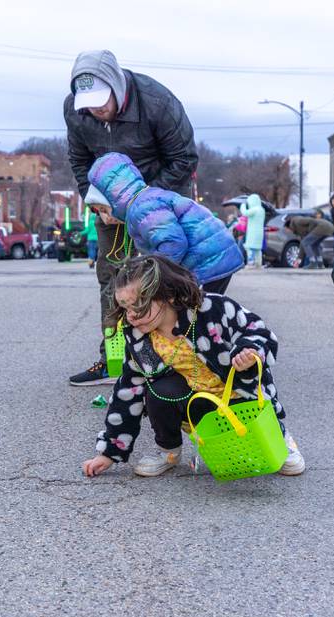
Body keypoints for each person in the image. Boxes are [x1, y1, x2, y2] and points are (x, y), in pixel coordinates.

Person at [81, 254, 304, 478]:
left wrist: (249, 351)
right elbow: (127, 391)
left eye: (138, 306)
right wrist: (108, 453)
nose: (131, 316)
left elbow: (258, 330)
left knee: (281, 462)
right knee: (157, 390)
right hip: (198, 404)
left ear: (165, 295)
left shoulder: (212, 309)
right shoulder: (139, 336)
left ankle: (280, 436)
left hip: (241, 395)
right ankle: (168, 451)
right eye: (125, 307)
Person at [64, 49, 198, 386]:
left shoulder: (156, 102)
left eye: (102, 100)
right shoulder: (76, 110)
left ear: (117, 84)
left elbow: (184, 158)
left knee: (163, 275)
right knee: (112, 277)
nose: (97, 109)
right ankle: (115, 360)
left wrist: (140, 203)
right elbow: (80, 161)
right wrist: (94, 201)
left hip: (158, 198)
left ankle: (176, 355)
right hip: (109, 204)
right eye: (89, 103)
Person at [87, 152, 243, 292]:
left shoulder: (142, 209)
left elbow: (172, 243)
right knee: (200, 309)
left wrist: (154, 276)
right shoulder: (148, 198)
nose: (106, 218)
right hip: (213, 254)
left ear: (114, 199)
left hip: (207, 262)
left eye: (103, 209)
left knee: (197, 313)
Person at [240, 194, 266, 268]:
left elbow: (245, 213)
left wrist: (243, 205)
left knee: (249, 247)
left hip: (253, 232)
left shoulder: (255, 209)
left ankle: (251, 263)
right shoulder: (262, 210)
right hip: (260, 233)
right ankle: (258, 264)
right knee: (258, 249)